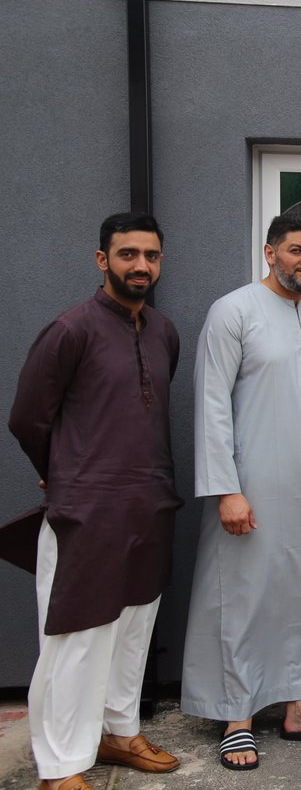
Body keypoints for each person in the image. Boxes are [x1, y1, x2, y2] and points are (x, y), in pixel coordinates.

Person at [182, 213, 301, 770]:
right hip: (251, 485)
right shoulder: (232, 311)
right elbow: (212, 405)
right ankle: (236, 715)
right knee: (243, 593)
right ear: (270, 253)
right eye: (295, 250)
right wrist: (225, 489)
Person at [6, 213, 182, 790]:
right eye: (128, 254)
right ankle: (60, 767)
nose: (141, 266)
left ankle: (117, 731)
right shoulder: (70, 330)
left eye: (151, 256)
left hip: (149, 503)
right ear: (103, 259)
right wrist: (61, 474)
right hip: (86, 510)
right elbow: (28, 417)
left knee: (134, 629)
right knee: (77, 638)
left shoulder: (163, 331)